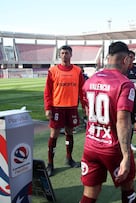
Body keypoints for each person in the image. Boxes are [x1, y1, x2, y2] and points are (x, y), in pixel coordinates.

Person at [80, 41, 136, 202]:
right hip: (112, 148)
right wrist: (126, 156)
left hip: (90, 145)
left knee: (90, 192)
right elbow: (122, 121)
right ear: (125, 60)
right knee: (128, 188)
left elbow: (87, 112)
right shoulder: (125, 83)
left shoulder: (90, 80)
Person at [44, 45, 85, 177]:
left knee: (69, 132)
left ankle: (69, 158)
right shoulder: (53, 71)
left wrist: (85, 106)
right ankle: (50, 163)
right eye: (62, 53)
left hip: (71, 107)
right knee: (54, 134)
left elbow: (82, 90)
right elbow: (47, 92)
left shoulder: (78, 71)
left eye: (66, 53)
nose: (64, 55)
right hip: (57, 107)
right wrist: (48, 108)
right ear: (59, 55)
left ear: (71, 55)